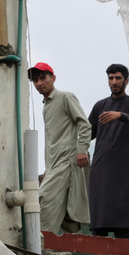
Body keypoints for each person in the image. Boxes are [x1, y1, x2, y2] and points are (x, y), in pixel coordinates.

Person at [27, 62, 91, 234]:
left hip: (67, 159)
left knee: (44, 198)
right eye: (35, 80)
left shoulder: (65, 97)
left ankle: (41, 242)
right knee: (62, 209)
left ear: (53, 78)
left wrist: (82, 150)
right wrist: (48, 168)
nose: (39, 83)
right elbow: (51, 141)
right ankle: (66, 245)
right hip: (54, 164)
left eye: (42, 78)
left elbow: (84, 124)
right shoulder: (46, 106)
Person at [88, 64, 129, 239]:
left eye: (118, 78)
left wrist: (120, 116)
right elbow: (86, 133)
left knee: (124, 228)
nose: (114, 82)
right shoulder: (100, 106)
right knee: (99, 228)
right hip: (100, 173)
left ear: (126, 81)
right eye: (111, 78)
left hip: (123, 175)